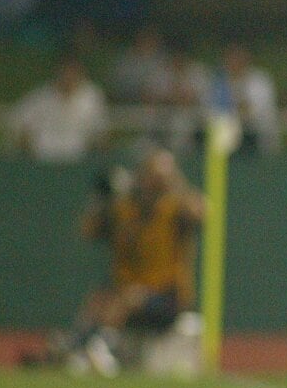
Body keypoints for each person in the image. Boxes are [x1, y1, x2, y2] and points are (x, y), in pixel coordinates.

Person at [65, 146, 204, 376]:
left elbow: (201, 211)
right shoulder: (124, 208)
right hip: (125, 290)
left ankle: (101, 349)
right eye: (151, 175)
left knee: (130, 297)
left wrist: (174, 182)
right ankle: (76, 349)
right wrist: (102, 200)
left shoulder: (174, 208)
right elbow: (87, 230)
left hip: (168, 297)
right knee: (99, 299)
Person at [2, 51, 109, 163]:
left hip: (78, 161)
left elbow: (101, 134)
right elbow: (18, 127)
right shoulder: (40, 98)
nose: (69, 76)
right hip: (42, 161)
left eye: (73, 72)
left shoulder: (92, 97)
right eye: (65, 71)